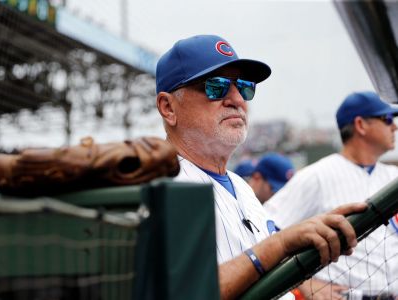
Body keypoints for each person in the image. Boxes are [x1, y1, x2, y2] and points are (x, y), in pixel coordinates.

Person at [155, 34, 366, 300]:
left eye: (243, 86)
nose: (237, 99)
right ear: (168, 107)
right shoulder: (161, 186)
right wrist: (280, 244)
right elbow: (187, 293)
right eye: (216, 86)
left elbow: (257, 271)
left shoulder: (241, 187)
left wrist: (304, 277)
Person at [264, 91, 398, 299]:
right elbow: (264, 232)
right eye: (387, 119)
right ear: (361, 125)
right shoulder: (316, 175)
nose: (394, 126)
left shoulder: (394, 176)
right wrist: (305, 283)